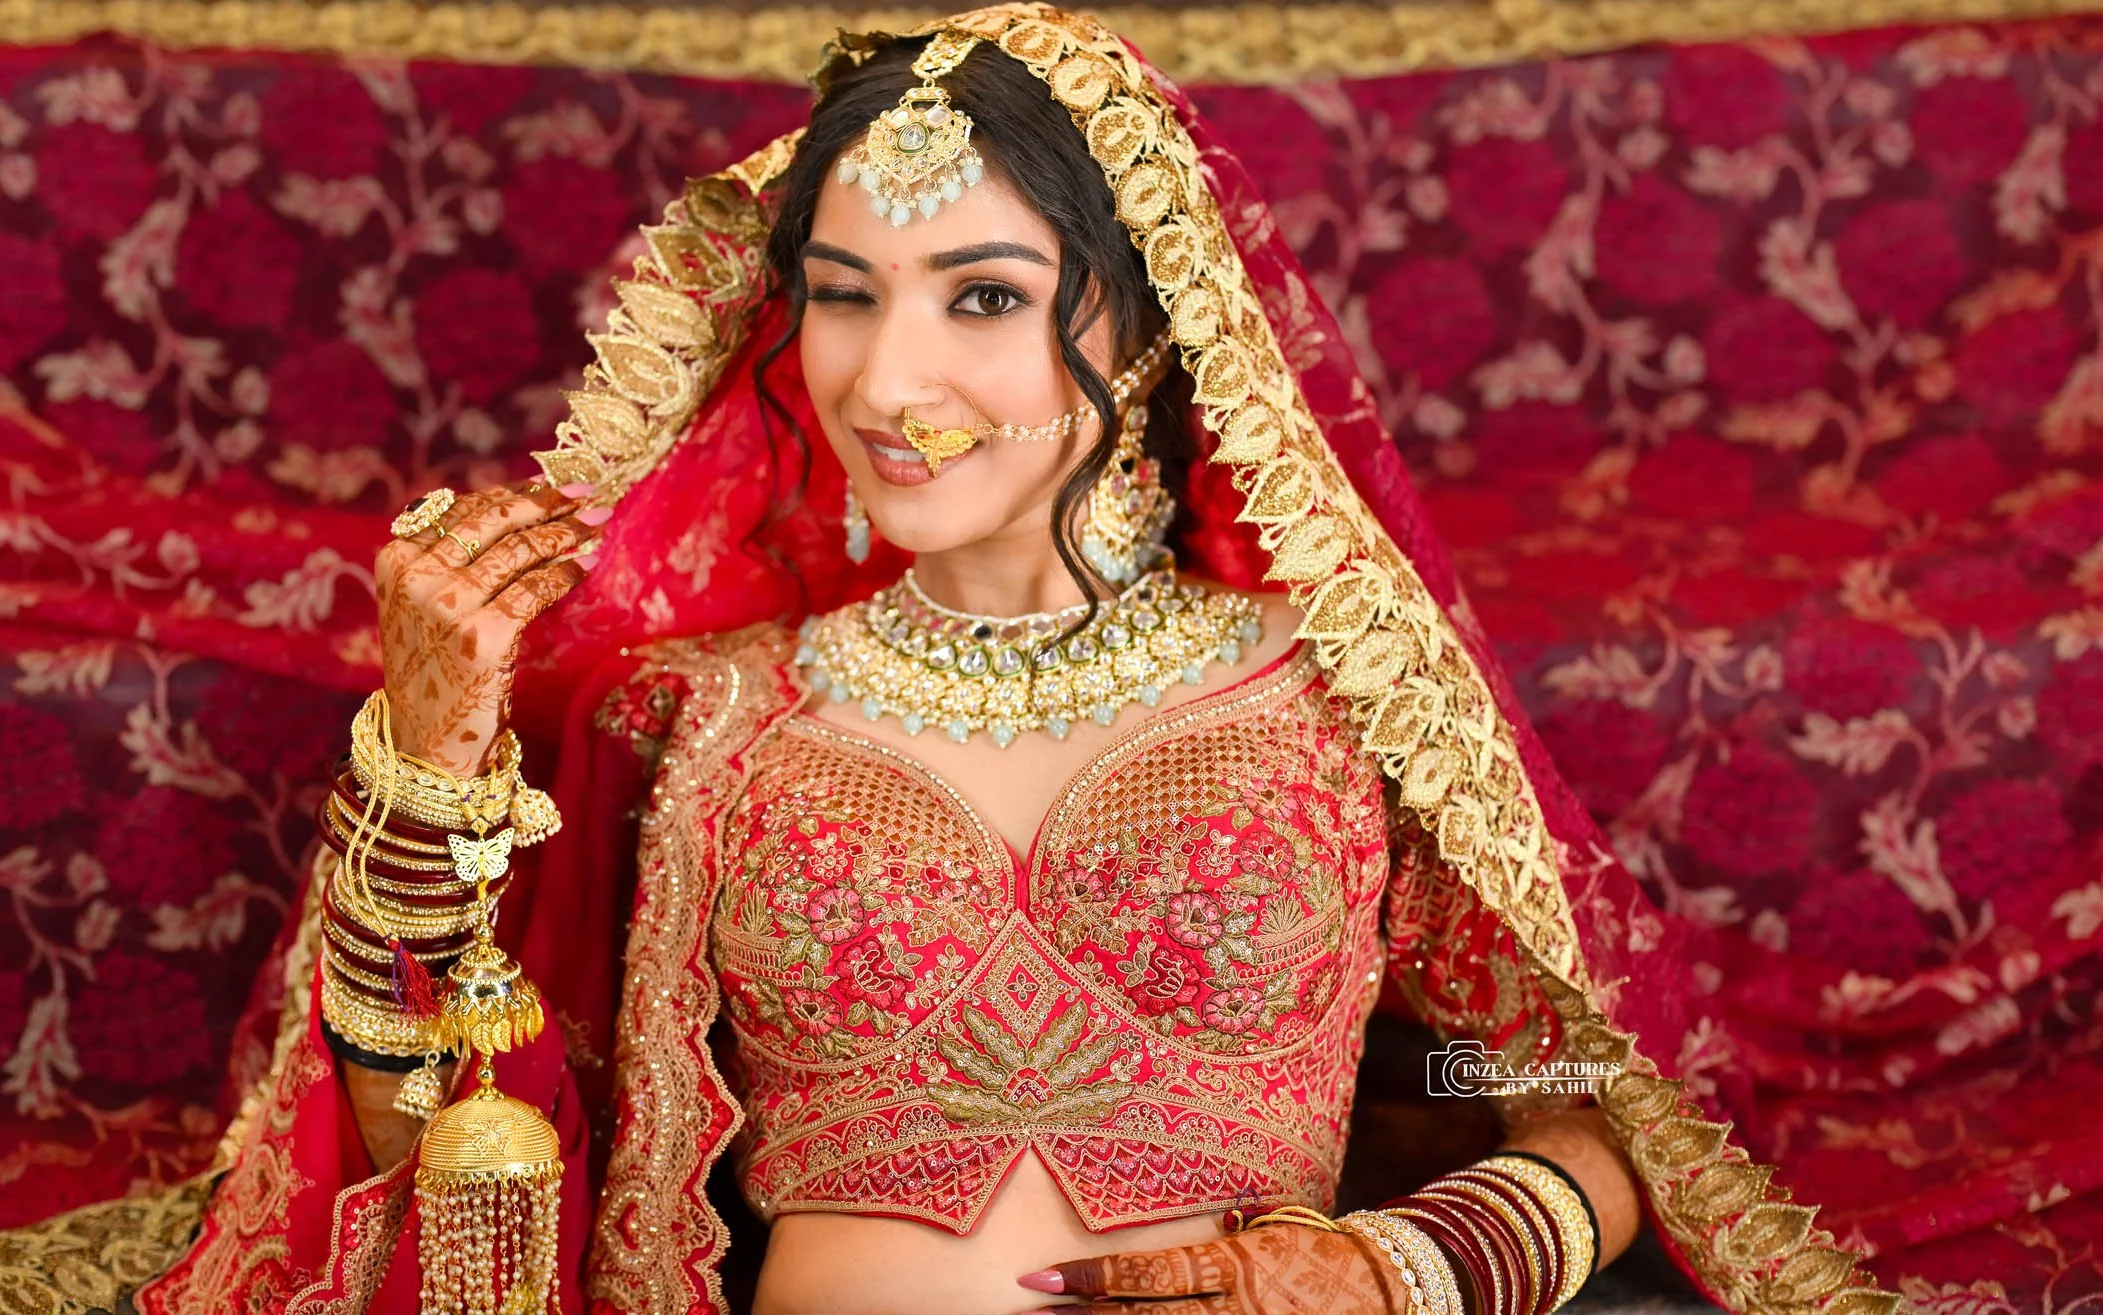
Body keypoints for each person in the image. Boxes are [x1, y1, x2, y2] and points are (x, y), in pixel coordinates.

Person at [105, 7, 1895, 1315]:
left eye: (980, 296)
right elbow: (446, 1142)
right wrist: (426, 754)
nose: (888, 383)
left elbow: (1560, 1108)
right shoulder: (703, 719)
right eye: (842, 291)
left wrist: (1402, 1259)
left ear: (1136, 312)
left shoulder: (1339, 701)